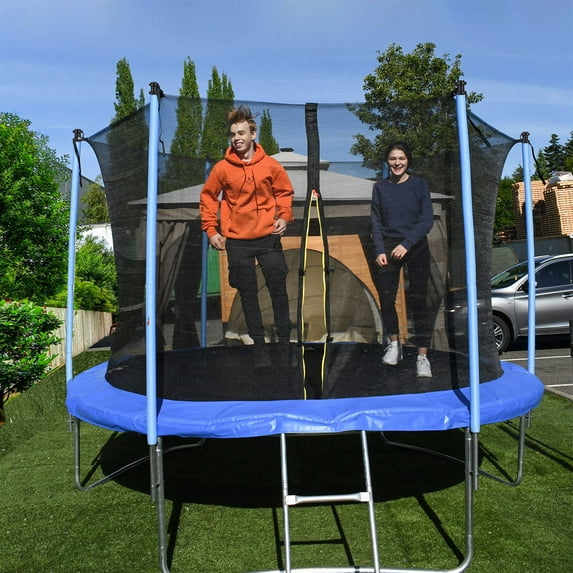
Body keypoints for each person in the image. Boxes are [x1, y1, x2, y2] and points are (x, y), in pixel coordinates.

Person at [200, 105, 294, 364]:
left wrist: (284, 216)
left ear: (253, 135)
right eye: (233, 134)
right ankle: (259, 348)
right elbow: (208, 198)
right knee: (248, 294)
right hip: (238, 241)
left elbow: (284, 193)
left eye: (241, 133)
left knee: (278, 289)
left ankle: (284, 345)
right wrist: (211, 230)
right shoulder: (222, 168)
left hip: (267, 237)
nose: (236, 138)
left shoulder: (271, 165)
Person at [371, 142, 434, 378]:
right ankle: (394, 344)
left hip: (415, 245)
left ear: (408, 161)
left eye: (401, 158)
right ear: (387, 162)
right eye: (393, 159)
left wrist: (406, 244)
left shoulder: (419, 185)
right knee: (387, 298)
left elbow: (426, 220)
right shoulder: (380, 187)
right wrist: (380, 249)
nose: (397, 163)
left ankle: (422, 357)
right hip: (388, 246)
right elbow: (375, 221)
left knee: (418, 300)